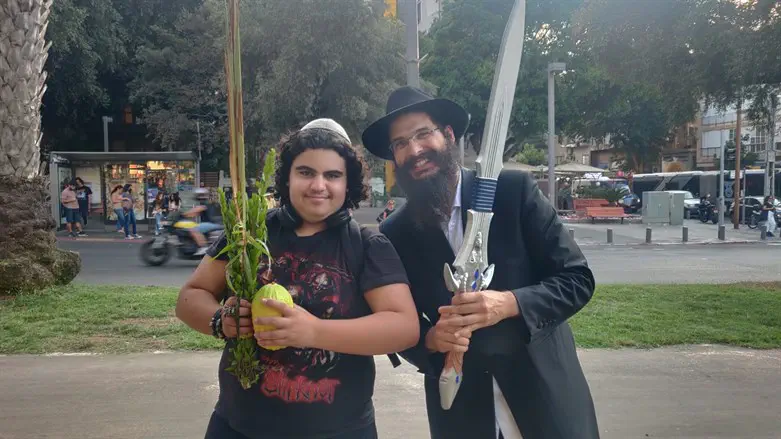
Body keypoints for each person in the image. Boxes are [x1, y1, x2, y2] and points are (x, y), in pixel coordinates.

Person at [361, 86, 600, 439]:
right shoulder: (394, 233)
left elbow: (577, 279)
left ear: (448, 135)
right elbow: (399, 325)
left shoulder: (512, 193)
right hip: (461, 413)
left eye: (423, 134)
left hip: (546, 401)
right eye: (400, 144)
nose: (414, 151)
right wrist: (430, 340)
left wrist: (511, 303)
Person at [176, 118, 419, 439]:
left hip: (340, 430)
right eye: (306, 172)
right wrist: (221, 320)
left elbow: (404, 327)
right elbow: (190, 296)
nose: (319, 185)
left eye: (332, 175)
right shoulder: (248, 234)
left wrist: (313, 331)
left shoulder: (368, 246)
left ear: (348, 184)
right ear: (287, 178)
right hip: (239, 427)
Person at [182, 188, 223, 255]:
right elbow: (194, 213)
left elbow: (196, 210)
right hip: (213, 223)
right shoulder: (205, 203)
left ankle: (203, 247)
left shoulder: (204, 203)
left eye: (198, 195)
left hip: (212, 223)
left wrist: (183, 214)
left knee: (193, 229)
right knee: (192, 226)